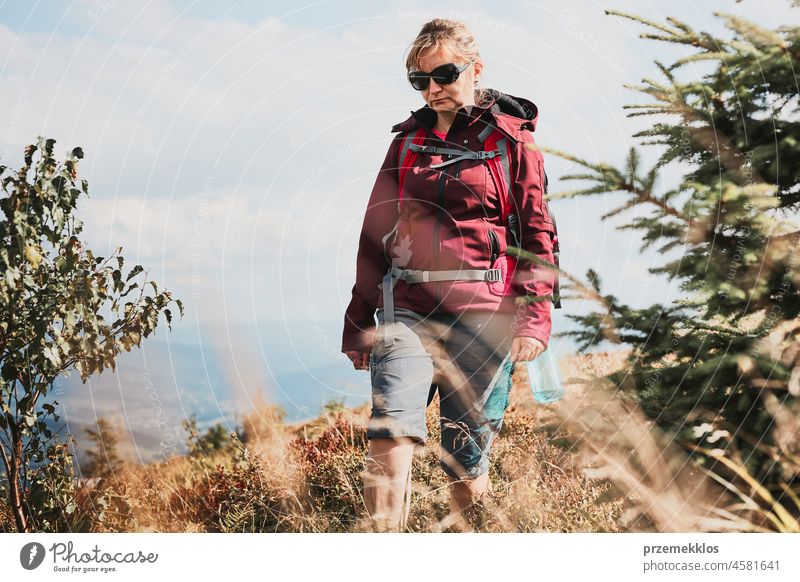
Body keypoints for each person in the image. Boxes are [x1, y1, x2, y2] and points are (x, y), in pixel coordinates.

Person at [341, 18, 557, 532]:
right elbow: (376, 230)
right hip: (408, 310)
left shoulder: (513, 145)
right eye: (420, 79)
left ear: (475, 69)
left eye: (444, 73)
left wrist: (535, 319)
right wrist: (358, 318)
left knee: (464, 461)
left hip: (487, 315)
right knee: (389, 433)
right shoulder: (407, 143)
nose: (433, 87)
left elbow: (538, 234)